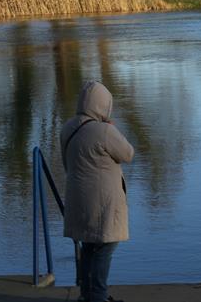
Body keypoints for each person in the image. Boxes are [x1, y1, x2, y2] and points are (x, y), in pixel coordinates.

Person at [60, 81, 134, 302]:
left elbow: (66, 162)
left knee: (90, 246)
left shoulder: (68, 128)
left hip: (78, 199)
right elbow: (128, 154)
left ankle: (87, 295)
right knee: (105, 246)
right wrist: (111, 126)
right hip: (103, 203)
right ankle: (98, 296)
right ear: (104, 105)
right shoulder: (104, 131)